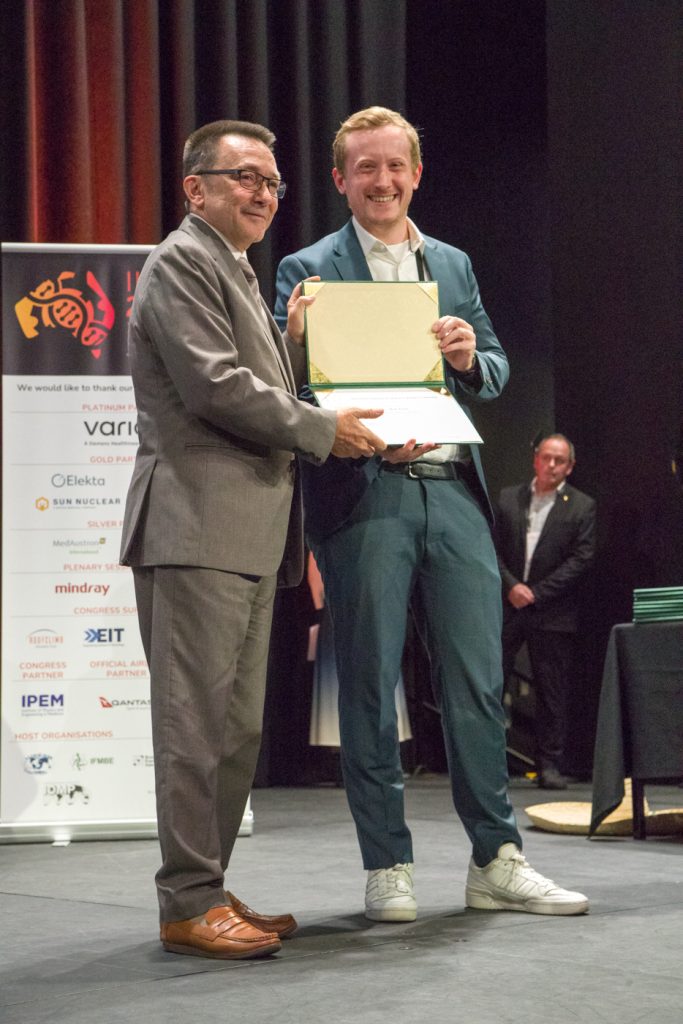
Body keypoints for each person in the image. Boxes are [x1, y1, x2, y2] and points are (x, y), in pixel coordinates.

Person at [275, 106, 589, 920]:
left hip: (450, 489)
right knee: (369, 685)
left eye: (395, 166)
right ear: (340, 179)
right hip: (365, 490)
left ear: (415, 174)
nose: (381, 181)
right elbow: (285, 389)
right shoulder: (306, 268)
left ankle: (496, 858)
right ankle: (387, 864)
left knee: (477, 682)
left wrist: (467, 355)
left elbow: (494, 365)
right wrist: (295, 339)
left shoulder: (450, 262)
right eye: (365, 168)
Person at [120, 119, 386, 960]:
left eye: (271, 181)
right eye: (244, 177)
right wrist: (323, 429)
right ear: (195, 188)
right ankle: (186, 901)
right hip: (195, 525)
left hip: (244, 532)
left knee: (233, 734)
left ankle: (208, 888)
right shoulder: (181, 261)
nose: (262, 194)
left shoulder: (232, 266)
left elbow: (252, 380)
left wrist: (298, 351)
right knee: (193, 728)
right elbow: (215, 386)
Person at [496, 434, 596, 789]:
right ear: (535, 459)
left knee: (552, 692)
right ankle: (488, 762)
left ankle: (549, 764)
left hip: (552, 610)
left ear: (570, 467)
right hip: (508, 604)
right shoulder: (508, 498)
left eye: (559, 460)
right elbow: (491, 547)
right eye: (546, 457)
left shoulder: (581, 506)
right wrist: (512, 586)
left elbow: (581, 559)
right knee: (492, 683)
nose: (551, 465)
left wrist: (536, 593)